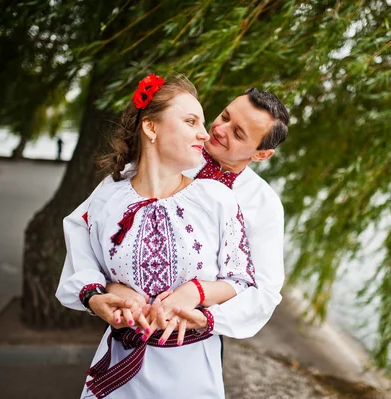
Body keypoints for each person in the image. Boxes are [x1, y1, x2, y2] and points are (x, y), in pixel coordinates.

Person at [56, 74, 262, 398]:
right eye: (191, 121)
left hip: (190, 375)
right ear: (151, 128)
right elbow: (82, 259)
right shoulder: (108, 197)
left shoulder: (216, 199)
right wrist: (102, 295)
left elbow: (244, 283)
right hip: (117, 373)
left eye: (203, 122)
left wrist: (197, 293)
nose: (204, 134)